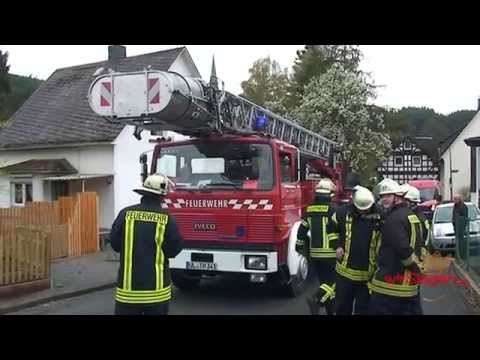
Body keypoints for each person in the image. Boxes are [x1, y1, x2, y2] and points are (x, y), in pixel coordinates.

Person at [110, 174, 184, 315]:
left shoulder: (125, 214)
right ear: (162, 196)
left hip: (127, 292)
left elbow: (115, 244)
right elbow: (175, 249)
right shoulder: (166, 218)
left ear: (143, 192)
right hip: (157, 293)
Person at [368, 182, 424, 315]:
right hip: (408, 286)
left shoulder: (394, 219)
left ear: (398, 197)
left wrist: (416, 268)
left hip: (390, 286)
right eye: (382, 196)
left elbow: (403, 249)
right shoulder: (411, 215)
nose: (384, 199)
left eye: (388, 195)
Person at [334, 186, 381, 315]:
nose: (363, 213)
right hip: (344, 274)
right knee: (342, 308)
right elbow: (331, 229)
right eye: (361, 210)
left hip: (367, 276)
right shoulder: (342, 213)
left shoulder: (380, 216)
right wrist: (337, 245)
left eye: (366, 210)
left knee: (363, 309)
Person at [296, 178, 339, 315]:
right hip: (330, 253)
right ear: (330, 194)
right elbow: (338, 230)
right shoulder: (333, 210)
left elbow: (302, 230)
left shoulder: (309, 209)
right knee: (335, 282)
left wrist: (299, 247)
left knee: (324, 283)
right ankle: (316, 299)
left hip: (315, 254)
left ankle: (330, 310)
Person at [453, 195, 469, 260]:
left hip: (461, 227)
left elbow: (465, 217)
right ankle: (458, 256)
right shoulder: (455, 206)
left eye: (455, 199)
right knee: (458, 242)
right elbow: (454, 215)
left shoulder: (463, 206)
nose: (454, 200)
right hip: (456, 227)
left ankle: (462, 256)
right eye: (454, 199)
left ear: (459, 199)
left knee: (461, 242)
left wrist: (462, 226)